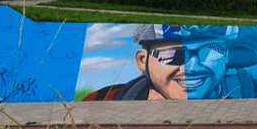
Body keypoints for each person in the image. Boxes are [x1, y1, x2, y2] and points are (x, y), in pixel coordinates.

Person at [83, 24, 237, 101]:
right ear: (142, 61)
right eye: (172, 55)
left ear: (226, 56)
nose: (192, 67)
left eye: (210, 52)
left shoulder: (250, 92)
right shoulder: (103, 99)